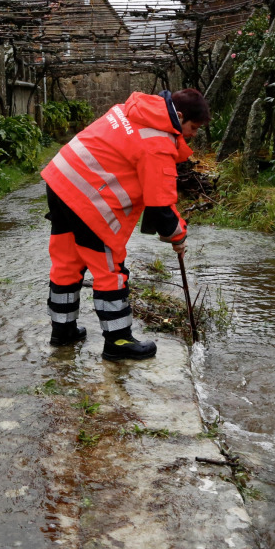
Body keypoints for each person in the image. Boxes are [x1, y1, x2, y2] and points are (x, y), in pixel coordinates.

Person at [41, 88, 209, 361]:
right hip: (87, 199)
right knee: (109, 268)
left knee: (67, 260)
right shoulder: (158, 141)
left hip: (60, 181)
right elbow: (160, 206)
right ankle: (118, 341)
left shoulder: (134, 111)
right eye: (193, 127)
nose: (193, 134)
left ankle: (63, 331)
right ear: (178, 116)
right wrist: (178, 236)